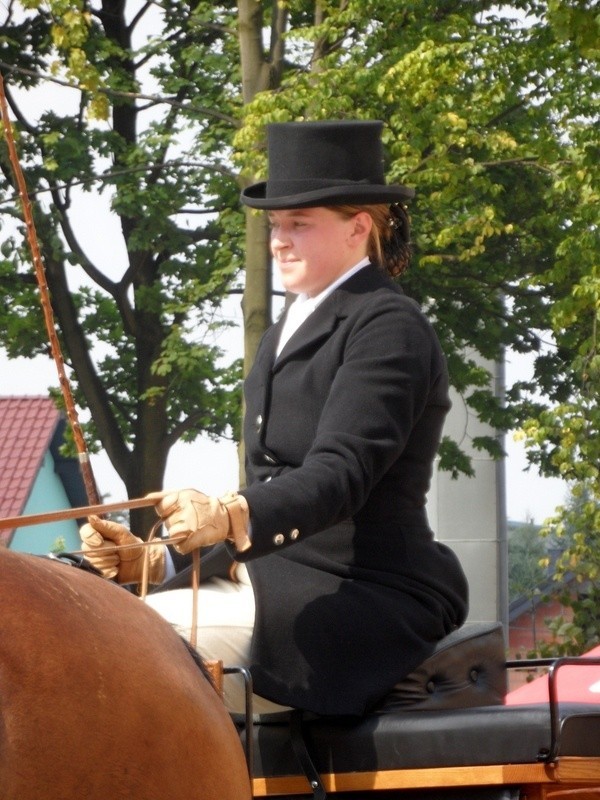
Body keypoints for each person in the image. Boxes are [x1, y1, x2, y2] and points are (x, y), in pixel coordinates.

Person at [80, 119, 469, 718]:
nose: (278, 241)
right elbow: (270, 485)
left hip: (357, 592)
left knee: (118, 651)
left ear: (358, 228)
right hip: (268, 579)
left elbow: (338, 473)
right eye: (274, 225)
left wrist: (229, 513)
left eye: (299, 224)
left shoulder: (389, 327)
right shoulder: (283, 333)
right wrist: (156, 561)